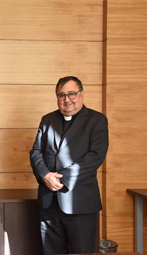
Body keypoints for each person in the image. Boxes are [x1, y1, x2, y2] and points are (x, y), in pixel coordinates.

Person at [30, 76, 108, 254]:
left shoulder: (97, 120)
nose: (67, 99)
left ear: (81, 94)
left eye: (72, 94)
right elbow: (35, 152)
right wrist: (45, 175)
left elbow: (95, 156)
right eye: (61, 95)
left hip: (80, 202)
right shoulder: (47, 120)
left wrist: (60, 178)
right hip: (49, 202)